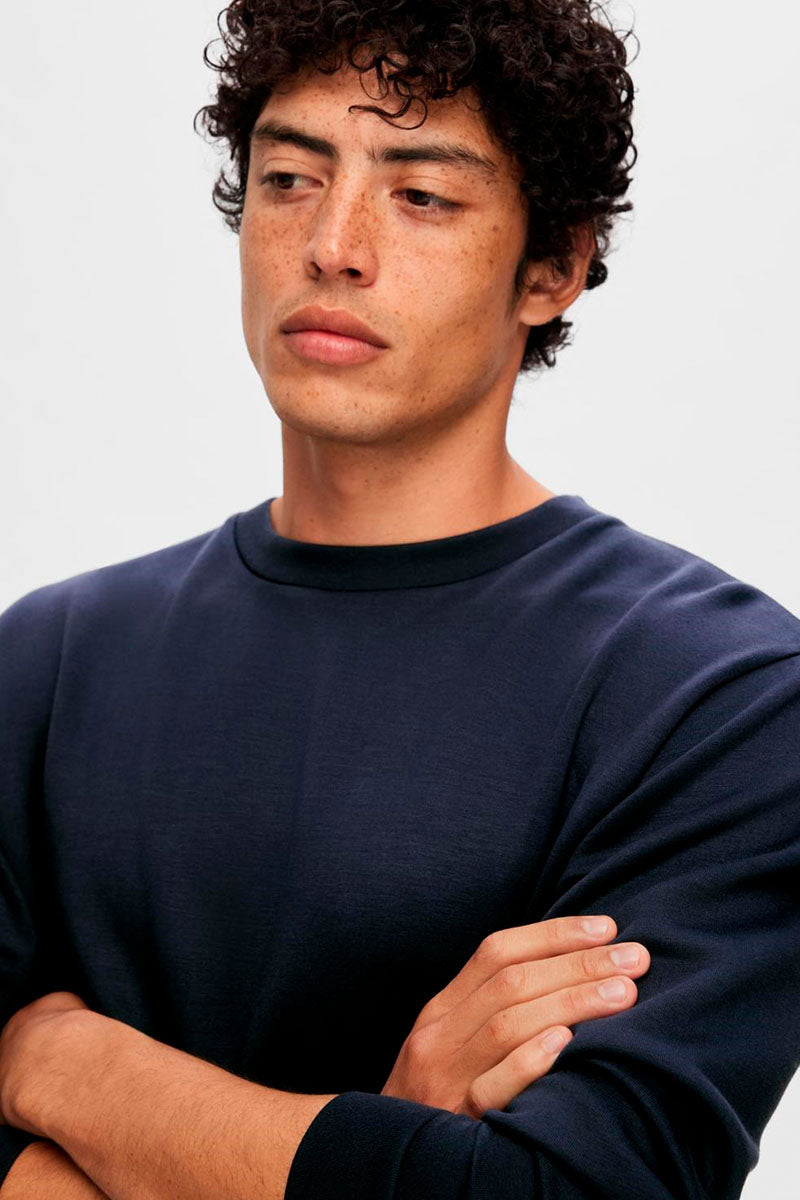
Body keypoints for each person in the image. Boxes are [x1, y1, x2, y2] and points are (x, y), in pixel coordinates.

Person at [1, 0, 799, 1197]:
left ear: (552, 266)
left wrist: (58, 1060)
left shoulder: (715, 698)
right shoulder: (46, 664)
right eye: (288, 179)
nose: (333, 245)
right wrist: (388, 1142)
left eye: (420, 195)